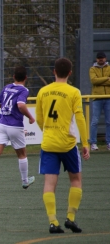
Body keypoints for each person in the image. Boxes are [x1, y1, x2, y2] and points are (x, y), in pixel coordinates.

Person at [36, 58, 90, 233]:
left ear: (53, 72)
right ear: (70, 73)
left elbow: (39, 118)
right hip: (68, 144)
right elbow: (80, 118)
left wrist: (48, 131)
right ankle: (71, 218)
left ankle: (53, 222)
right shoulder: (74, 92)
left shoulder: (43, 91)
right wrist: (85, 142)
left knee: (49, 184)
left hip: (49, 144)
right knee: (75, 180)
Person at [88, 51, 110, 151]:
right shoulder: (92, 69)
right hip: (97, 98)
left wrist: (100, 80)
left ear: (105, 58)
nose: (101, 59)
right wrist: (107, 79)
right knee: (95, 121)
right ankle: (93, 143)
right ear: (96, 59)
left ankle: (108, 142)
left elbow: (97, 81)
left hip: (108, 97)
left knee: (109, 121)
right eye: (99, 58)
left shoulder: (109, 68)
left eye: (102, 58)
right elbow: (93, 81)